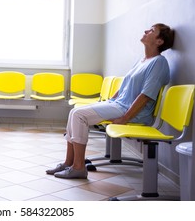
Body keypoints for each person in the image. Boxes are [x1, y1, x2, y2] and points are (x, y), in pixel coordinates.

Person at [47, 23, 175, 179]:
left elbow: (146, 95)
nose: (146, 31)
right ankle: (69, 162)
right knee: (74, 112)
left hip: (131, 111)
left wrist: (125, 118)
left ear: (159, 41)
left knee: (79, 115)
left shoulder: (159, 63)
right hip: (119, 104)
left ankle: (78, 167)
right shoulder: (142, 61)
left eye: (152, 31)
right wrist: (108, 101)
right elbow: (124, 86)